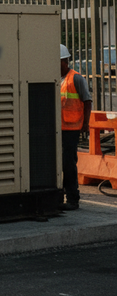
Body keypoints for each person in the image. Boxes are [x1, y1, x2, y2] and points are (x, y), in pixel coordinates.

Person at [60, 44, 92, 211]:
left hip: (71, 129)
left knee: (68, 163)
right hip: (57, 129)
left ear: (64, 61)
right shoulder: (55, 78)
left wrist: (85, 124)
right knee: (57, 164)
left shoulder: (76, 78)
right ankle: (59, 196)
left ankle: (73, 198)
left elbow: (87, 102)